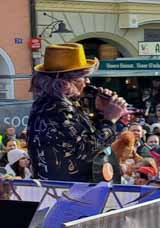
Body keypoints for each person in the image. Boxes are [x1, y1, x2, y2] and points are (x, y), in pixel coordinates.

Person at [27, 43, 128, 182]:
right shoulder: (57, 108)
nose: (87, 82)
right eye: (83, 77)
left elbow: (81, 137)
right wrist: (110, 120)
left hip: (66, 188)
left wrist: (99, 111)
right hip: (71, 191)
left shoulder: (52, 103)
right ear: (66, 81)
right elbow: (87, 149)